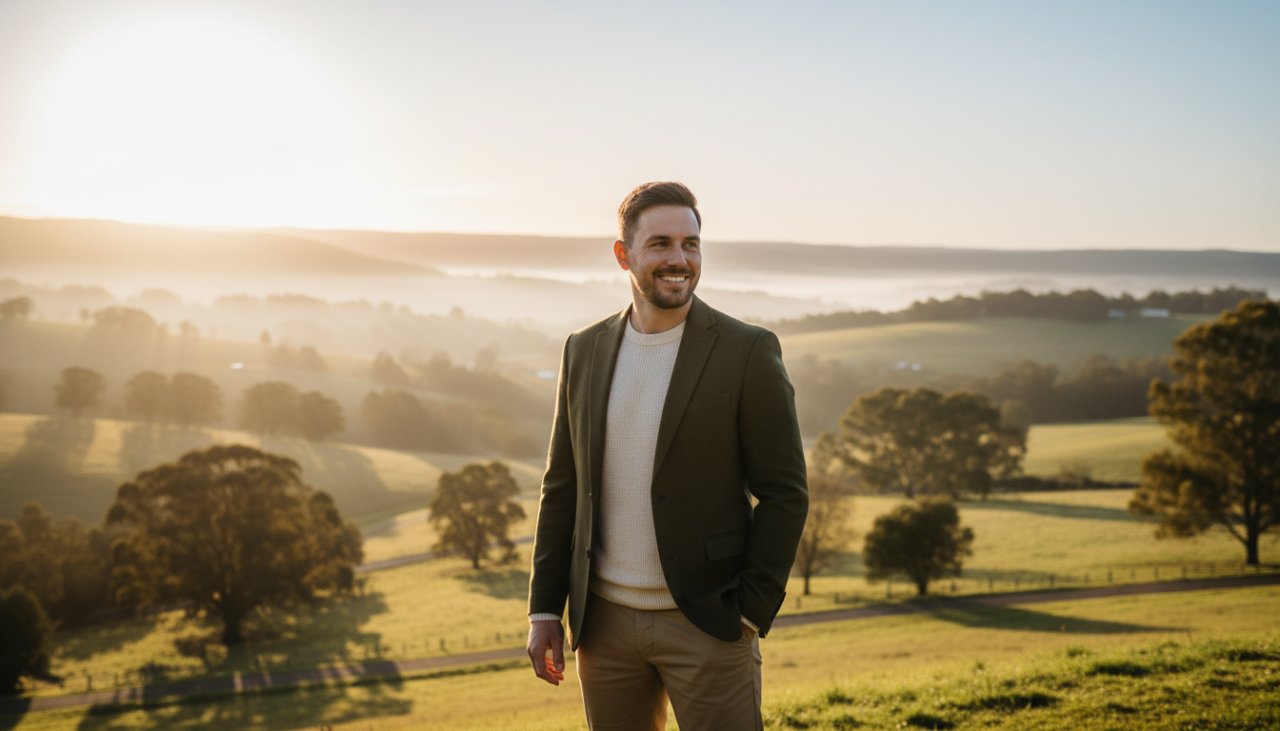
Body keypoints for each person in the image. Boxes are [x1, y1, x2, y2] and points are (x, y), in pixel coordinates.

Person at [526, 181, 808, 730]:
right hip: (602, 626)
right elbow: (562, 486)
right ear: (623, 254)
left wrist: (749, 612)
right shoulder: (582, 350)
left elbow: (785, 492)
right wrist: (544, 610)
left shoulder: (747, 351)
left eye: (691, 244)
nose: (679, 259)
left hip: (709, 622)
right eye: (660, 244)